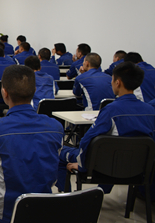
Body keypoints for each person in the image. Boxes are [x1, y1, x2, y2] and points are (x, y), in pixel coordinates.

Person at [0, 65, 64, 223]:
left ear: (4, 93)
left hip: (6, 215)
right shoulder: (56, 128)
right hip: (44, 212)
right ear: (34, 91)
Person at [57, 62, 155, 192]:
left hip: (106, 168)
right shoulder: (150, 110)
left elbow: (88, 140)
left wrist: (82, 165)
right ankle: (102, 191)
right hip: (139, 169)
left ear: (118, 82)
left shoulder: (111, 111)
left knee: (60, 151)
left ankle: (67, 197)